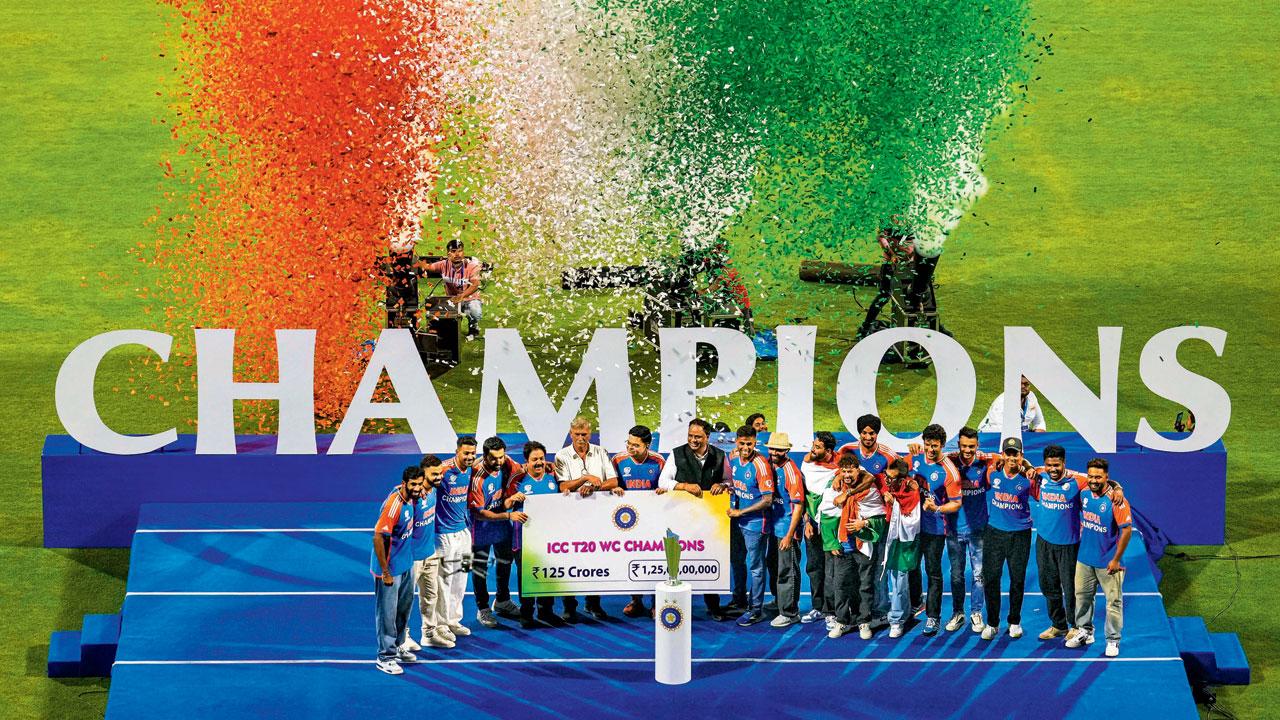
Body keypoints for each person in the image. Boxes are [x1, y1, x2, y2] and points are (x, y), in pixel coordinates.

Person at [1031, 446, 1127, 641]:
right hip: (1043, 542)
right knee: (1048, 585)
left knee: (1071, 589)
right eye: (1049, 465)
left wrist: (1118, 488)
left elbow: (1103, 481)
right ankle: (1058, 625)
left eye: (1057, 465)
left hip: (1069, 544)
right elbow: (1025, 465)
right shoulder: (1041, 474)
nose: (1053, 469)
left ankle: (1076, 626)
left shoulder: (1078, 479)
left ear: (1064, 463)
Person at [658, 418, 735, 620]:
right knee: (675, 560)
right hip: (680, 518)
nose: (693, 440)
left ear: (707, 437)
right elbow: (663, 481)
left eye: (698, 437)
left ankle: (713, 606)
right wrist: (684, 486)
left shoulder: (720, 456)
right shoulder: (676, 454)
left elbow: (729, 481)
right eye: (690, 436)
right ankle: (671, 603)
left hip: (709, 520)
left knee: (710, 559)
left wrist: (724, 485)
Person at [837, 414, 904, 624]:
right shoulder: (848, 450)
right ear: (859, 433)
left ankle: (880, 610)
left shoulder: (887, 454)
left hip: (879, 518)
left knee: (879, 566)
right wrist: (839, 477)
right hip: (852, 516)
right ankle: (860, 610)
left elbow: (898, 474)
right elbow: (839, 467)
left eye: (872, 433)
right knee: (858, 569)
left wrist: (887, 491)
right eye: (864, 433)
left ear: (877, 433)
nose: (868, 436)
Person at [553, 416, 621, 621]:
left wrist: (594, 486)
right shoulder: (561, 456)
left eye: (585, 434)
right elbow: (563, 487)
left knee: (595, 559)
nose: (581, 438)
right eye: (577, 434)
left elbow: (613, 481)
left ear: (590, 434)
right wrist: (584, 478)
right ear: (570, 433)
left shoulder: (600, 452)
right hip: (570, 518)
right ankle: (569, 606)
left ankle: (593, 603)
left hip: (597, 516)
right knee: (569, 560)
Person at [1067, 458, 1132, 657]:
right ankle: (1085, 631)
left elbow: (1127, 530)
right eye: (1091, 476)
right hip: (1085, 558)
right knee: (1082, 598)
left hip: (1108, 562)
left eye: (1099, 477)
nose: (1094, 480)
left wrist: (1116, 559)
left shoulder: (1116, 500)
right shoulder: (1084, 491)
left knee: (1113, 602)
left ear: (1107, 477)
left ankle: (1113, 640)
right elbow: (1063, 472)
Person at [372, 466, 428, 675]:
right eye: (412, 485)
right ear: (404, 484)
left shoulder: (414, 496)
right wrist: (385, 572)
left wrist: (422, 489)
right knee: (387, 614)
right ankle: (385, 657)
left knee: (404, 610)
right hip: (390, 569)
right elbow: (378, 537)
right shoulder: (394, 505)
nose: (416, 488)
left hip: (406, 563)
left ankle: (398, 645)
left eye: (419, 484)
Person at [980, 437, 1036, 641]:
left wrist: (1115, 488)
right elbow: (979, 455)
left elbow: (1047, 484)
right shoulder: (992, 471)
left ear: (1022, 455)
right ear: (1003, 455)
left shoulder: (1029, 478)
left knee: (1017, 579)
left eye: (1016, 454)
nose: (1013, 457)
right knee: (991, 578)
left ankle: (1014, 621)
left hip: (1020, 534)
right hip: (994, 532)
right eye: (1009, 453)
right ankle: (992, 623)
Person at [910, 424, 962, 636]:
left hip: (935, 528)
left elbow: (956, 503)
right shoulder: (915, 458)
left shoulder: (949, 471)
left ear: (942, 445)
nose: (931, 449)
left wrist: (937, 507)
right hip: (912, 525)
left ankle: (933, 616)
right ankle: (916, 603)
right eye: (928, 445)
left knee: (933, 572)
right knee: (911, 567)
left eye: (936, 446)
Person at [506, 441, 565, 629]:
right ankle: (526, 613)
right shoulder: (518, 481)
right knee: (527, 577)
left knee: (548, 574)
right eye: (534, 460)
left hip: (547, 539)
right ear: (526, 461)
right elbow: (505, 505)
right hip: (523, 539)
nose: (539, 463)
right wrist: (512, 499)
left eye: (541, 458)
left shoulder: (552, 479)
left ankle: (546, 611)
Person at [831, 456, 889, 640]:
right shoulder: (836, 488)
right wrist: (832, 542)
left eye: (851, 471)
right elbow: (827, 516)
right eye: (844, 471)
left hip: (864, 546)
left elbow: (881, 518)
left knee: (865, 585)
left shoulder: (871, 492)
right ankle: (842, 621)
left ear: (858, 470)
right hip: (843, 545)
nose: (847, 475)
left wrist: (863, 523)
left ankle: (864, 621)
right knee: (841, 585)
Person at [469, 436, 523, 628]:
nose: (499, 462)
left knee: (505, 561)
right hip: (482, 527)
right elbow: (480, 513)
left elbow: (522, 470)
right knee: (480, 568)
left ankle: (502, 600)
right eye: (494, 459)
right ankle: (483, 608)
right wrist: (507, 517)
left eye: (501, 457)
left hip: (501, 523)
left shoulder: (506, 462)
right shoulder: (477, 478)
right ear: (485, 456)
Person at [612, 425, 665, 618]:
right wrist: (614, 489)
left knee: (654, 562)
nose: (630, 447)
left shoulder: (659, 462)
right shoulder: (618, 460)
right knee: (631, 560)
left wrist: (664, 489)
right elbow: (612, 483)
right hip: (627, 522)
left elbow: (665, 486)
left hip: (652, 522)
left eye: (635, 445)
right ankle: (636, 600)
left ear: (647, 445)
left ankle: (655, 603)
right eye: (628, 443)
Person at [726, 425, 775, 626]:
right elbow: (735, 484)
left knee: (755, 566)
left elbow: (768, 500)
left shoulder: (761, 465)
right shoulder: (733, 458)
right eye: (742, 443)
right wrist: (726, 487)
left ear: (756, 442)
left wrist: (741, 512)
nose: (745, 447)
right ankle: (739, 600)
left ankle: (756, 610)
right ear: (736, 442)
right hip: (737, 522)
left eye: (750, 443)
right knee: (736, 560)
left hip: (755, 523)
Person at [944, 427, 991, 634]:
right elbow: (929, 458)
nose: (967, 450)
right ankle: (957, 613)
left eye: (971, 446)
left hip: (978, 530)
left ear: (977, 445)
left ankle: (976, 612)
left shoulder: (984, 462)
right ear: (958, 445)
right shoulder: (950, 462)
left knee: (979, 575)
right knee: (956, 575)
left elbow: (1004, 458)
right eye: (963, 446)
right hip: (954, 529)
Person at [402, 455, 451, 652]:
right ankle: (401, 637)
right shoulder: (413, 497)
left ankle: (429, 633)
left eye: (440, 473)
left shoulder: (434, 490)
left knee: (431, 596)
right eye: (434, 474)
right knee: (405, 600)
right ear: (423, 476)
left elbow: (459, 461)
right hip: (411, 558)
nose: (439, 477)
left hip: (430, 553)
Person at [432, 437, 478, 644]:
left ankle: (453, 620)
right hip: (443, 536)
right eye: (465, 453)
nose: (469, 457)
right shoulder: (443, 470)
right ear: (457, 451)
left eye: (472, 453)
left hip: (464, 534)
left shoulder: (471, 469)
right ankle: (440, 625)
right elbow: (423, 481)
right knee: (444, 580)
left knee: (462, 577)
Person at [764, 433, 806, 627]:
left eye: (778, 449)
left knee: (787, 570)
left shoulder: (791, 472)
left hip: (787, 530)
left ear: (786, 451)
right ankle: (780, 600)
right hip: (774, 527)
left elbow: (798, 506)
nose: (774, 452)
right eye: (771, 448)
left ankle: (789, 612)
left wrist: (789, 535)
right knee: (773, 566)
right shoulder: (769, 464)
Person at [799, 432, 839, 625]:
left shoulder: (840, 468)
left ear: (829, 451)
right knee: (814, 567)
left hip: (831, 525)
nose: (812, 450)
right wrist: (806, 522)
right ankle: (817, 607)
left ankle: (831, 611)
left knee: (831, 568)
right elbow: (805, 497)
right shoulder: (807, 465)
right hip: (812, 525)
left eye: (817, 447)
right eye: (813, 446)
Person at [881, 457, 922, 638]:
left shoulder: (912, 492)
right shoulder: (885, 482)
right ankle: (891, 612)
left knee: (899, 577)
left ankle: (897, 620)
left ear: (903, 479)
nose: (888, 481)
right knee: (885, 577)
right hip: (886, 537)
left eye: (892, 478)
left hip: (904, 541)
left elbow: (911, 522)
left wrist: (893, 503)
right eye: (887, 477)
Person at [422, 239, 483, 338]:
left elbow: (476, 284)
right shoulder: (443, 264)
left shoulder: (472, 266)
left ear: (463, 252)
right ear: (448, 253)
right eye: (454, 251)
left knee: (475, 311)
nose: (457, 254)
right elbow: (429, 267)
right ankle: (453, 327)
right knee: (449, 328)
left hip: (470, 298)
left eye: (460, 251)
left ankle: (473, 328)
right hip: (453, 300)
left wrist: (462, 296)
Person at [977, 375, 1047, 434]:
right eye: (1019, 384)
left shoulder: (1031, 397)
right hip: (991, 437)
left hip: (1020, 437)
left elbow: (1039, 422)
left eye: (1026, 384)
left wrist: (1036, 436)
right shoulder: (1002, 402)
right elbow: (999, 431)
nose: (1023, 386)